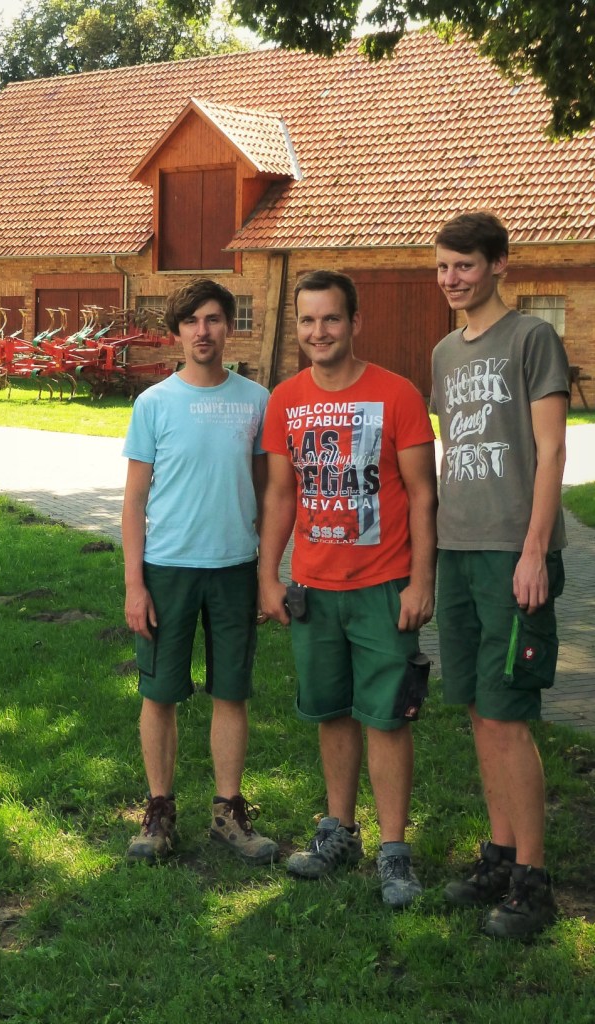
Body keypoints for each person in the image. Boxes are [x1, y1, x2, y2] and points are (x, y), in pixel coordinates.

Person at [258, 270, 437, 907]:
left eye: (330, 319)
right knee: (331, 712)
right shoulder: (285, 398)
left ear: (354, 323)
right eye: (307, 321)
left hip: (384, 586)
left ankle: (395, 852)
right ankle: (339, 832)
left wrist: (421, 581)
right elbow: (280, 494)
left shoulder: (398, 393)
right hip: (313, 586)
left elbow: (422, 494)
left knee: (386, 717)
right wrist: (267, 574)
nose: (318, 332)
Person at [432, 211, 568, 939]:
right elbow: (454, 449)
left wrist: (532, 549)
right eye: (443, 267)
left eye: (464, 265)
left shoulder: (531, 339)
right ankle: (499, 853)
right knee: (481, 711)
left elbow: (551, 452)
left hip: (513, 553)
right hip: (456, 549)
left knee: (509, 716)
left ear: (497, 266)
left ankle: (533, 879)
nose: (451, 279)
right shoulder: (444, 352)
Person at [121, 278, 279, 866]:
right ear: (178, 330)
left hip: (234, 568)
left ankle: (228, 812)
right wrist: (135, 585)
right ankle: (159, 810)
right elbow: (134, 501)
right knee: (160, 694)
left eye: (215, 319)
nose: (204, 331)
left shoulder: (255, 400)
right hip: (167, 570)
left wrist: (268, 571)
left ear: (229, 326)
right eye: (192, 321)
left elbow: (268, 494)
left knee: (230, 692)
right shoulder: (154, 403)